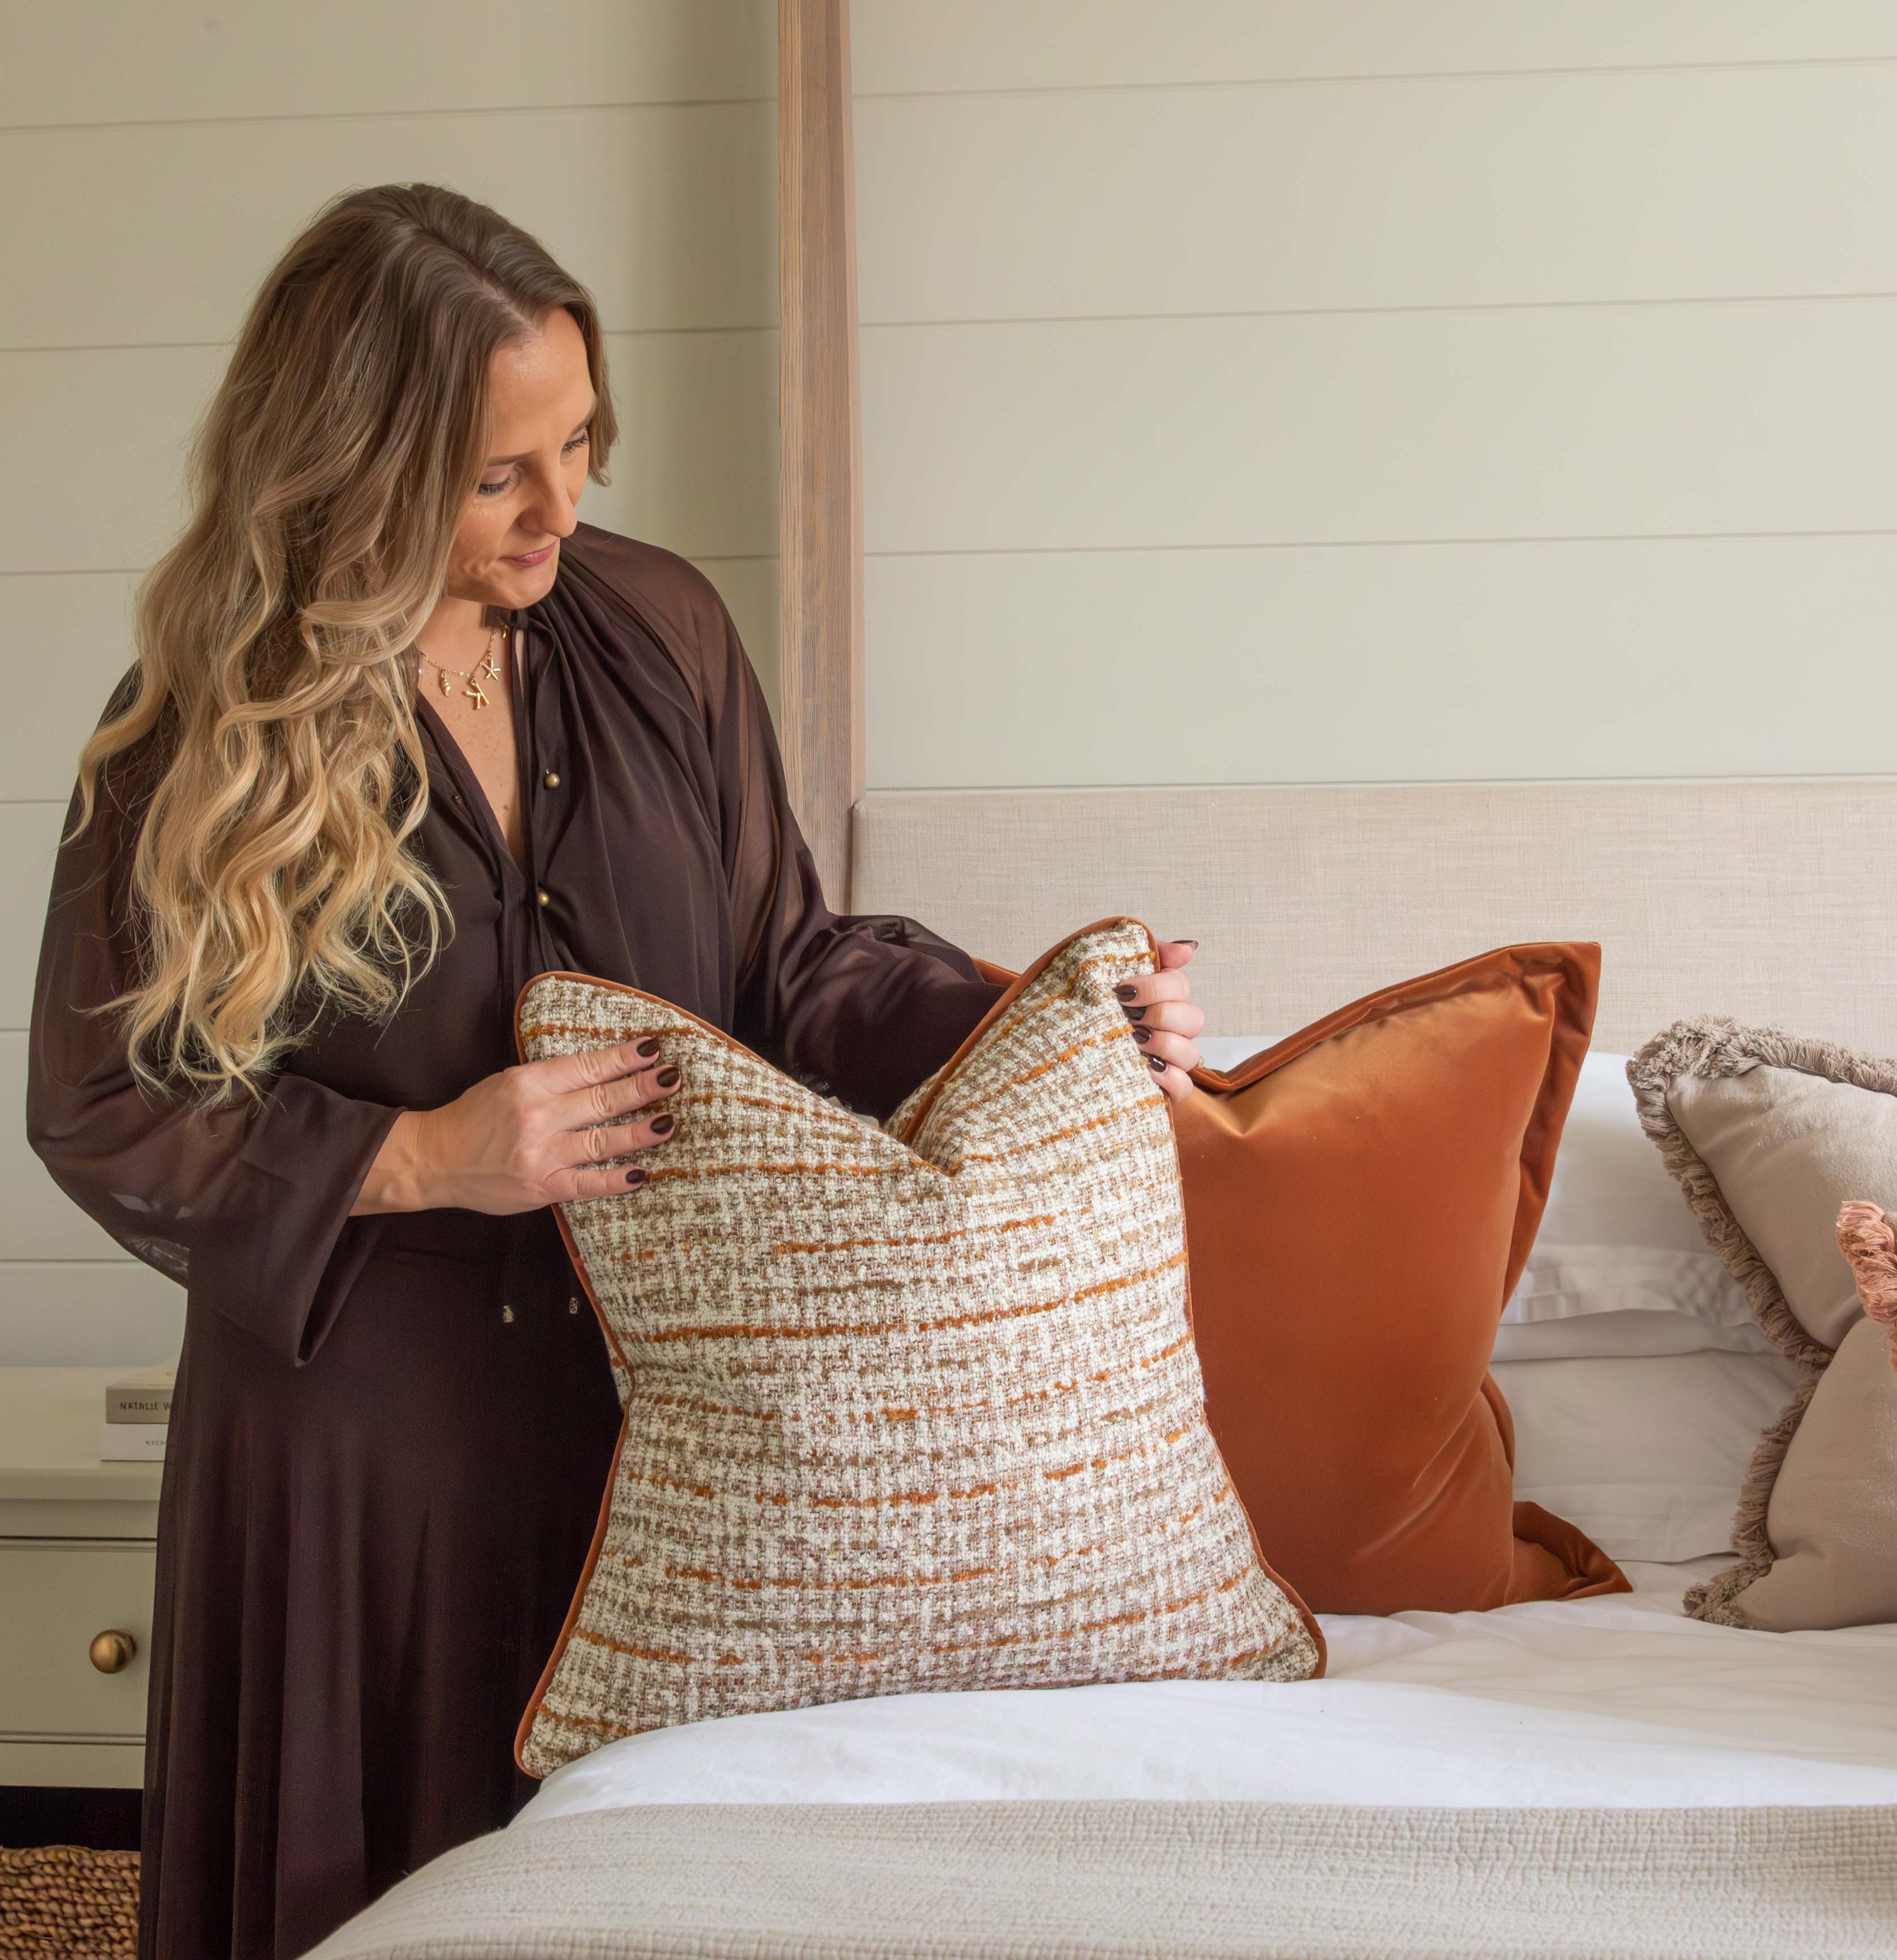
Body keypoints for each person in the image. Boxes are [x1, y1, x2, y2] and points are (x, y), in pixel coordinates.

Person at [25, 183, 1204, 1959]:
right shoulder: (201, 730)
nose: (562, 506)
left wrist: (1044, 1020)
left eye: (579, 443)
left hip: (661, 1425)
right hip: (365, 1458)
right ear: (355, 460)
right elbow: (100, 1101)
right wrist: (419, 1154)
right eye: (501, 472)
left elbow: (788, 970)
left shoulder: (656, 632)